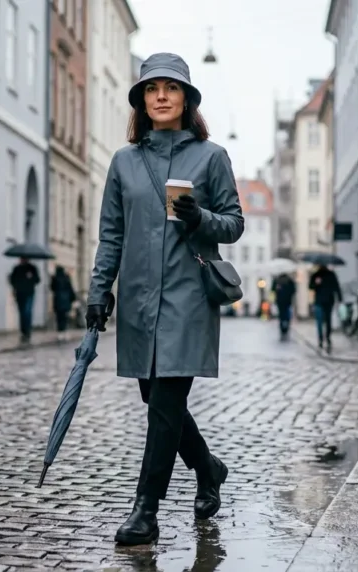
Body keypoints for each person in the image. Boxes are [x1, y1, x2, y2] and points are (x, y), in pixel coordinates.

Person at [84, 52, 245, 546]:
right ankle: (207, 467)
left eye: (170, 89)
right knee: (156, 399)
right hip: (136, 299)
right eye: (152, 89)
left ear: (186, 99)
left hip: (187, 297)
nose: (161, 97)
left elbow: (235, 223)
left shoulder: (211, 156)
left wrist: (202, 219)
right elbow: (111, 234)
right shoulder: (123, 162)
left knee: (167, 401)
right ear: (141, 100)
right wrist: (98, 293)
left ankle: (145, 511)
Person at [309, 264, 343, 349]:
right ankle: (321, 339)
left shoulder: (331, 275)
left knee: (327, 320)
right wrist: (316, 283)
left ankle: (327, 337)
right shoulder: (316, 275)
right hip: (319, 301)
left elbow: (336, 286)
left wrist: (339, 297)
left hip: (328, 301)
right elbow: (310, 286)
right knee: (320, 321)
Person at [8, 257, 40, 343]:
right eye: (21, 259)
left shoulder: (32, 268)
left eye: (24, 259)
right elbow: (12, 279)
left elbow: (37, 280)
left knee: (27, 311)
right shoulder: (17, 268)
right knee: (22, 313)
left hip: (29, 293)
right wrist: (15, 286)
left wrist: (31, 277)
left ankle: (27, 331)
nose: (22, 260)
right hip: (19, 293)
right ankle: (23, 331)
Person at [50, 265, 76, 342]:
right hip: (66, 300)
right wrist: (73, 299)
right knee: (65, 317)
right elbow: (71, 289)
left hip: (57, 300)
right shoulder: (67, 277)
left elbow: (52, 288)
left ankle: (60, 333)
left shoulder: (55, 278)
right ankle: (65, 332)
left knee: (59, 317)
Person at [273, 273, 297, 340]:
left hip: (281, 301)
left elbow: (272, 290)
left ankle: (283, 329)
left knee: (282, 316)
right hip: (287, 301)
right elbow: (294, 290)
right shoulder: (290, 281)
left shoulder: (277, 281)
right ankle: (285, 328)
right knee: (286, 315)